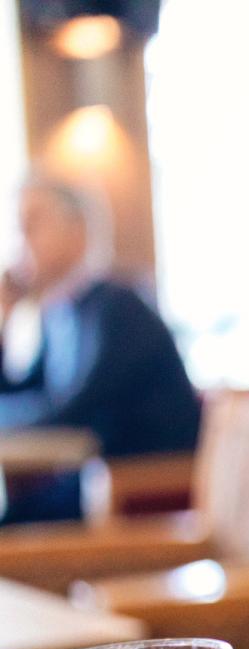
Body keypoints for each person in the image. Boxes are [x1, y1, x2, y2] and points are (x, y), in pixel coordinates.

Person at [0, 176, 200, 524]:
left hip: (140, 491)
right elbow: (26, 393)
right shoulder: (60, 312)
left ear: (77, 229)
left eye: (33, 224)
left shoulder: (118, 307)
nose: (22, 242)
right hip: (94, 481)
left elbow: (73, 408)